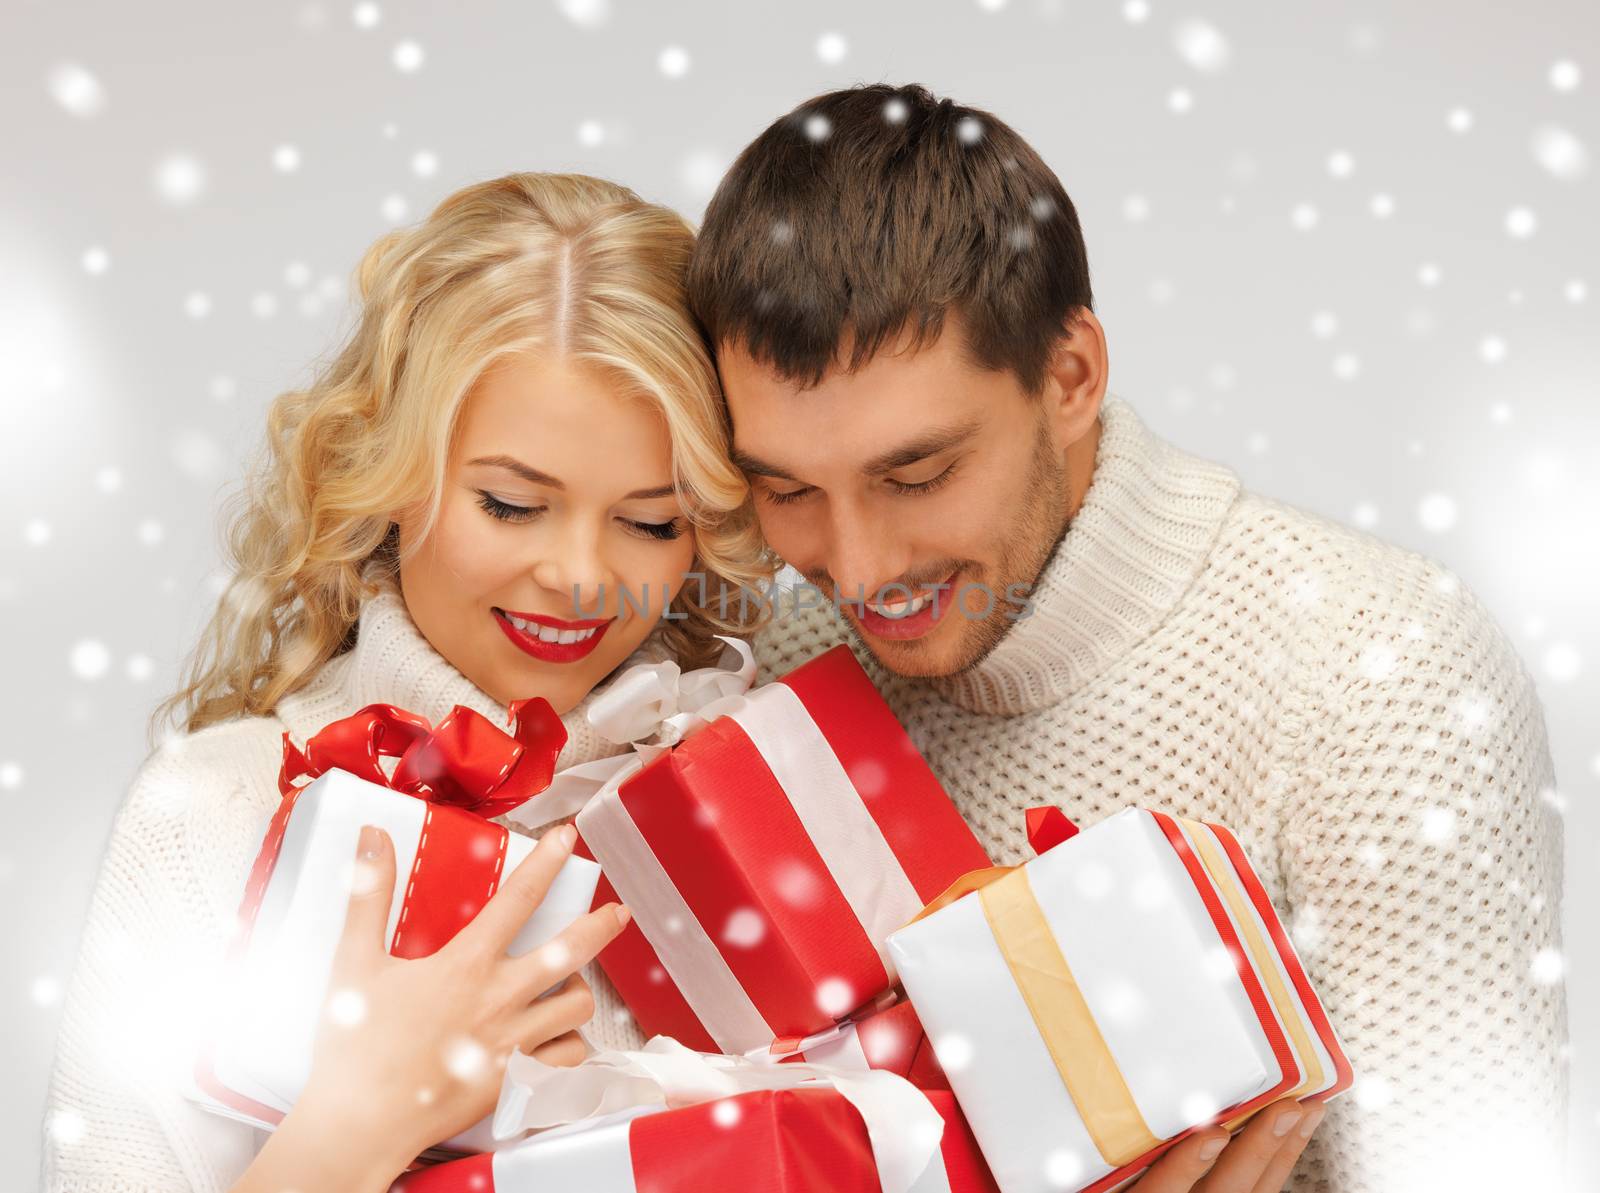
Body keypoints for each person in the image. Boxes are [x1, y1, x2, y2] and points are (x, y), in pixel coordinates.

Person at [684, 84, 1569, 1191]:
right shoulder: (766, 656)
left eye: (916, 474)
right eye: (787, 490)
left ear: (1071, 376)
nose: (858, 570)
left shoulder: (1376, 670)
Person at [41, 172, 770, 1193]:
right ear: (392, 476)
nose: (581, 574)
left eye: (652, 520)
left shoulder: (756, 790)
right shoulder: (213, 809)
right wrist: (362, 1121)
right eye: (512, 503)